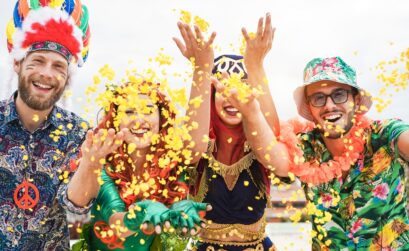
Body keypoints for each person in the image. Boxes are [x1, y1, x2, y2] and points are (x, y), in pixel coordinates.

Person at [221, 56, 409, 250]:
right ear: (310, 109)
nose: (329, 105)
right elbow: (271, 156)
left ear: (356, 100)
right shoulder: (306, 147)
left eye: (339, 94)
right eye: (319, 98)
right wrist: (252, 112)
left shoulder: (385, 135)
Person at [173, 13, 287, 250]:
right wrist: (201, 70)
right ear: (211, 96)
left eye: (241, 88)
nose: (232, 95)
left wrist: (256, 65)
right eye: (223, 88)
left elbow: (274, 144)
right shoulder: (200, 141)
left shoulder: (259, 145)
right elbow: (189, 154)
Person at [0, 1, 104, 250]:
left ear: (67, 78)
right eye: (37, 61)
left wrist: (91, 165)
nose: (47, 73)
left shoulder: (80, 134)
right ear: (18, 64)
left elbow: (78, 221)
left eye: (58, 66)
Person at [73, 80, 209, 251]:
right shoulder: (103, 164)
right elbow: (117, 224)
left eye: (148, 110)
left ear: (162, 119)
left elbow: (196, 145)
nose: (138, 120)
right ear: (115, 121)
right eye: (129, 111)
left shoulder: (172, 165)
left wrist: (177, 212)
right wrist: (140, 214)